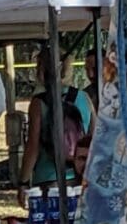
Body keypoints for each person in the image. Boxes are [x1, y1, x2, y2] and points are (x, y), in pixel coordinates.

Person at [20, 53, 95, 189]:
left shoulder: (38, 103)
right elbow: (95, 138)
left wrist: (23, 182)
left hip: (47, 177)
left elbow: (32, 147)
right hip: (79, 176)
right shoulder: (85, 98)